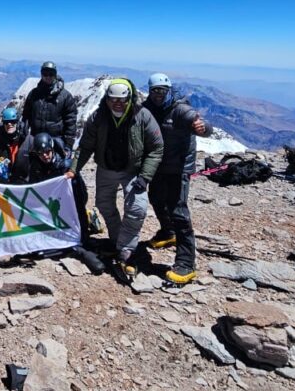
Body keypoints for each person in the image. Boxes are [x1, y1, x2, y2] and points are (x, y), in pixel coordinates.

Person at [69, 79, 163, 283]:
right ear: (107, 99)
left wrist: (145, 176)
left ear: (130, 98)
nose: (118, 103)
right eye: (113, 99)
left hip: (132, 171)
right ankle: (119, 241)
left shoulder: (142, 116)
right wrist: (73, 170)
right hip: (106, 168)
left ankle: (126, 251)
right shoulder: (98, 117)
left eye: (122, 99)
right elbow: (85, 146)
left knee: (137, 209)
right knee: (104, 204)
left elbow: (157, 147)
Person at [142, 73, 212, 285]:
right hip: (159, 165)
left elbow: (203, 126)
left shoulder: (180, 109)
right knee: (155, 197)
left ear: (169, 90)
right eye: (154, 91)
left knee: (178, 211)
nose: (158, 95)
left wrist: (203, 128)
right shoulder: (148, 108)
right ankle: (167, 231)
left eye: (162, 91)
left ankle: (186, 263)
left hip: (179, 167)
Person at [22, 62, 78, 152]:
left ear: (55, 75)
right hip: (36, 138)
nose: (48, 76)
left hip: (56, 140)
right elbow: (26, 115)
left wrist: (68, 144)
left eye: (51, 74)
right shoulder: (34, 94)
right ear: (41, 74)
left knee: (59, 165)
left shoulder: (65, 96)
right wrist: (24, 131)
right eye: (45, 73)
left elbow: (70, 122)